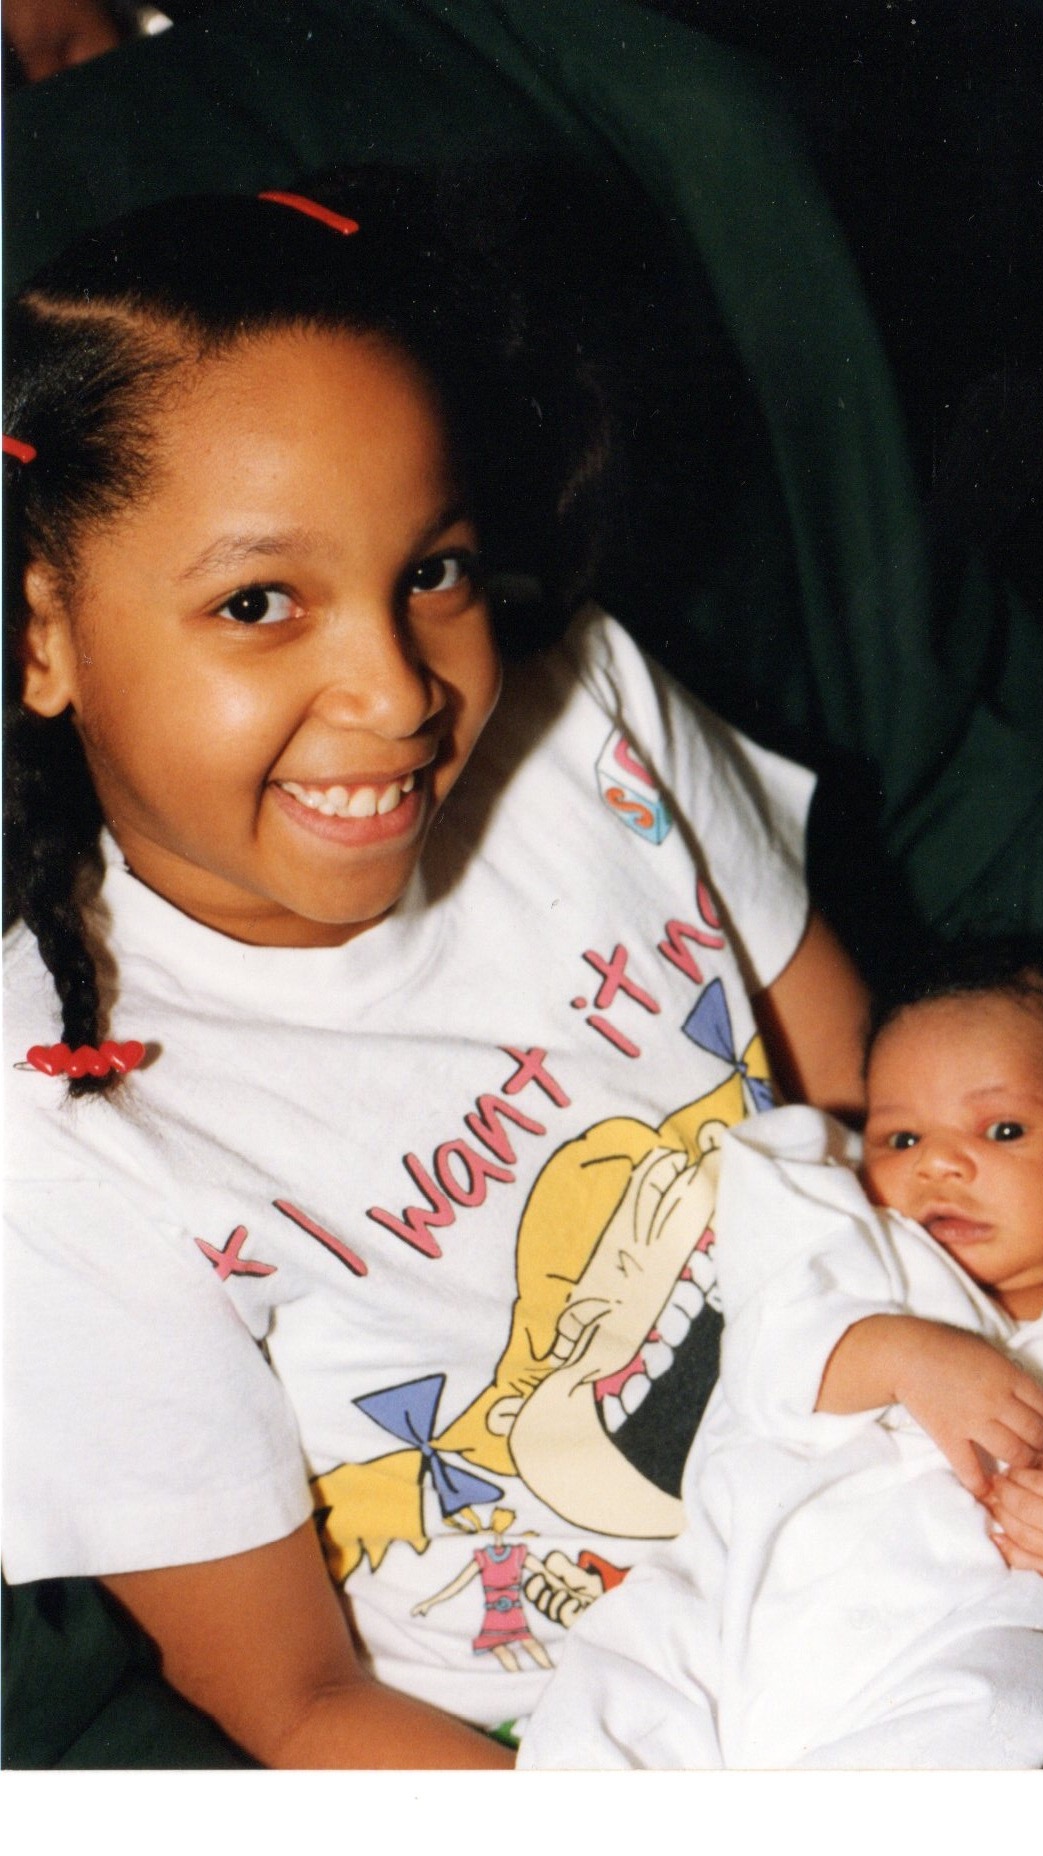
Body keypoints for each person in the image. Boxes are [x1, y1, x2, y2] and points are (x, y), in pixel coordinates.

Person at [1, 169, 870, 1767]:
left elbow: (879, 1128)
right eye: (259, 603)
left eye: (434, 570)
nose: (398, 692)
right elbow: (297, 1699)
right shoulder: (49, 1137)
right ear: (40, 634)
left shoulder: (586, 714)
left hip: (923, 1493)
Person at [519, 946, 1043, 1767]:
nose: (935, 1162)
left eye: (1002, 1129)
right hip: (734, 1619)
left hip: (969, 1659)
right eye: (900, 1137)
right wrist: (899, 1356)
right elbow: (765, 1360)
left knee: (999, 1709)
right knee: (608, 1694)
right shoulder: (856, 1249)